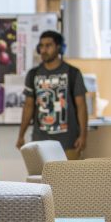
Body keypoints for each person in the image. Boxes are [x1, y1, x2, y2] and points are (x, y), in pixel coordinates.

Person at [16, 29, 88, 159]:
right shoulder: (33, 74)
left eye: (48, 45)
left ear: (58, 47)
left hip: (68, 142)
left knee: (69, 179)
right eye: (41, 46)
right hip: (40, 141)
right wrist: (21, 135)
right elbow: (28, 106)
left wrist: (83, 135)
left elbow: (82, 106)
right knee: (41, 178)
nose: (44, 50)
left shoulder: (72, 73)